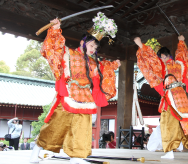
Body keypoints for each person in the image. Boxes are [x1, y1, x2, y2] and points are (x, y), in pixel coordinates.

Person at [30, 12, 120, 164]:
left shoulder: (94, 63)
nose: (92, 49)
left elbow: (105, 68)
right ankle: (37, 148)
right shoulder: (68, 53)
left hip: (86, 98)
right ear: (82, 42)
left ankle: (77, 157)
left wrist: (115, 64)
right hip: (69, 95)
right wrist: (55, 30)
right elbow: (55, 48)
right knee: (56, 126)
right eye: (91, 45)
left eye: (95, 47)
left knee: (82, 128)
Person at [134, 36, 188, 160]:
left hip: (170, 97)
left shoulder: (162, 66)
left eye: (162, 57)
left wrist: (141, 46)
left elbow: (151, 61)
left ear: (165, 56)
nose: (161, 59)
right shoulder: (180, 65)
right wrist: (181, 41)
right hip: (182, 98)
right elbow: (182, 53)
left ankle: (169, 151)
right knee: (186, 121)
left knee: (167, 123)